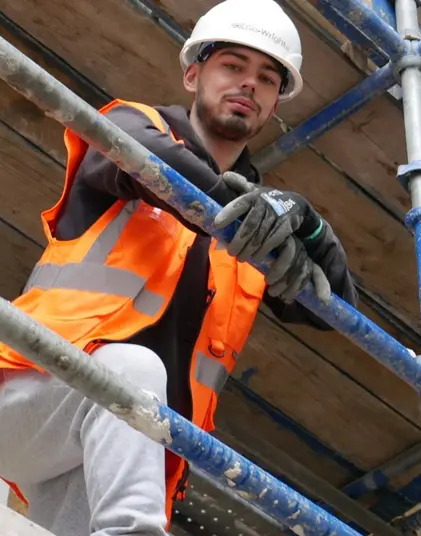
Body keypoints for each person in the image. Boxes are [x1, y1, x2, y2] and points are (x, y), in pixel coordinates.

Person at [0, 0, 358, 534]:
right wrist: (245, 212)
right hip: (25, 388)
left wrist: (308, 226)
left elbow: (337, 312)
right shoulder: (130, 126)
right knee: (133, 370)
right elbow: (149, 160)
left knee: (131, 393)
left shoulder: (257, 232)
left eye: (267, 78)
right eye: (232, 66)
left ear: (276, 101)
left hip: (88, 445)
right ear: (193, 73)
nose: (248, 85)